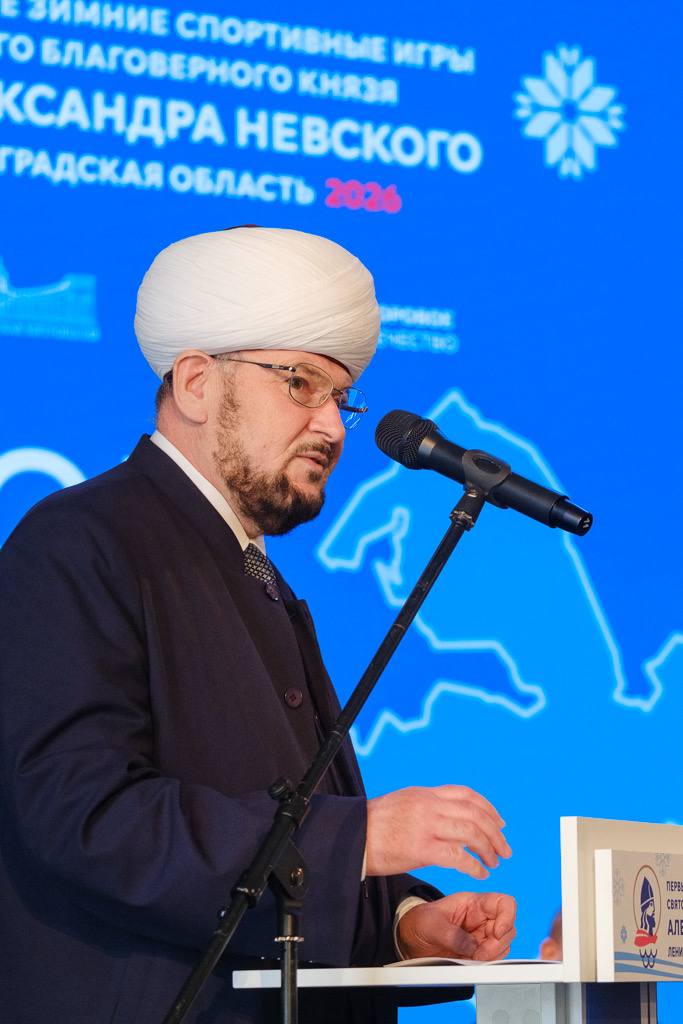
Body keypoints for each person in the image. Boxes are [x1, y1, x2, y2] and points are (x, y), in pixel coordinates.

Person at [0, 227, 516, 1023]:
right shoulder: (79, 541)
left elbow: (271, 843)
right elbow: (86, 819)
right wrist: (357, 839)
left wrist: (405, 925)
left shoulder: (252, 572)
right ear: (197, 383)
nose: (333, 426)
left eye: (341, 398)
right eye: (301, 384)